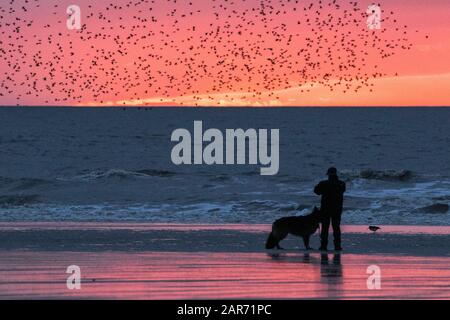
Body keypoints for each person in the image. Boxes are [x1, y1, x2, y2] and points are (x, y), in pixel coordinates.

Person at [314, 167, 346, 251]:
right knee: (336, 228)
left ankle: (323, 246)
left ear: (328, 174)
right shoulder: (341, 183)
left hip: (325, 209)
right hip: (337, 209)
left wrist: (319, 186)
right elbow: (342, 191)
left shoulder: (323, 183)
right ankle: (337, 246)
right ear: (336, 173)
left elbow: (316, 191)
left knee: (325, 228)